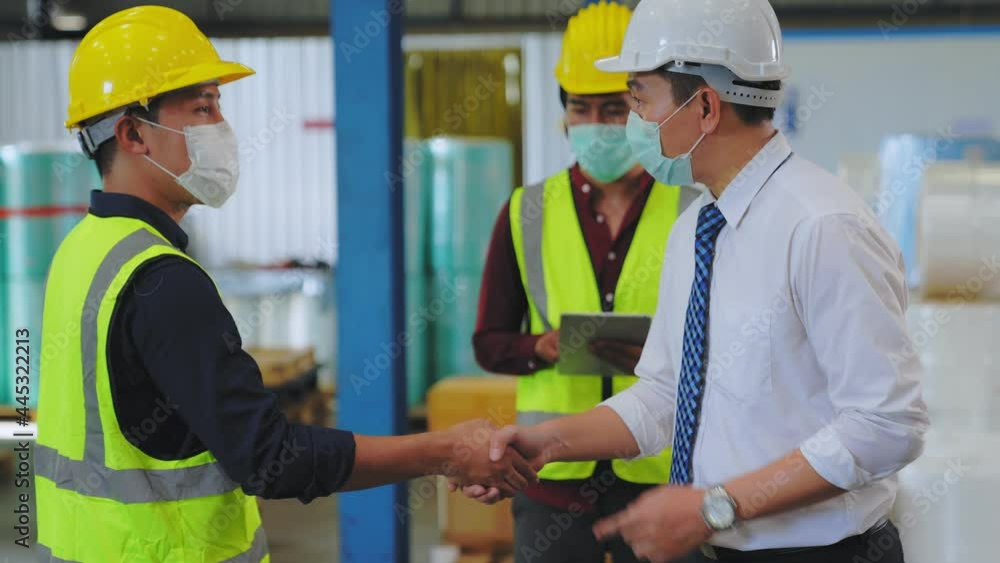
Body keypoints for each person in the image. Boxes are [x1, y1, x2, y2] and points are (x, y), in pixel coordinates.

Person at [35, 7, 536, 563]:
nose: (221, 128)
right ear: (133, 133)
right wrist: (442, 450)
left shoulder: (82, 251)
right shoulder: (162, 281)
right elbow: (271, 457)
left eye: (219, 106)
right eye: (202, 108)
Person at [461, 1, 929, 562]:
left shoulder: (822, 226)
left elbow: (886, 425)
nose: (631, 120)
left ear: (704, 106)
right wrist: (547, 442)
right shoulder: (698, 229)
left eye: (638, 98)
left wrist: (716, 506)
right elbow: (666, 393)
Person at [473, 3, 699, 562]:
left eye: (614, 108)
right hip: (553, 475)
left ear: (644, 109)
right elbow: (490, 343)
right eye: (581, 107)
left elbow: (734, 342)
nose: (596, 123)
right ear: (564, 114)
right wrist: (542, 347)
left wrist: (667, 354)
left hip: (664, 470)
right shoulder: (525, 211)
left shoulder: (695, 209)